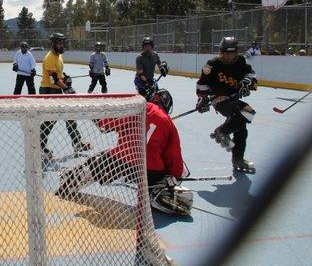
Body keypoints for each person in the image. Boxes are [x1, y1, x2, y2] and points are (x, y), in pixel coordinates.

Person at [55, 89, 192, 216]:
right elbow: (174, 157)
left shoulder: (139, 107)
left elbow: (104, 126)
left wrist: (96, 113)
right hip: (150, 170)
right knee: (176, 170)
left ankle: (68, 182)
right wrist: (175, 176)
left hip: (122, 159)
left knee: (95, 163)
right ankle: (159, 192)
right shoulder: (169, 123)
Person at [195, 37, 257, 173]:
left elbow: (251, 75)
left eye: (232, 53)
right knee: (248, 112)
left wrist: (246, 83)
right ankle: (222, 131)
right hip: (220, 100)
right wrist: (203, 99)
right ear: (221, 52)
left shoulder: (241, 61)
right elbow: (201, 85)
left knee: (241, 127)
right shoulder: (212, 65)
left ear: (236, 52)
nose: (230, 56)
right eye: (226, 53)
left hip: (234, 99)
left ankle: (237, 159)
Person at [40, 33, 92, 162]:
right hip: (49, 91)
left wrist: (66, 77)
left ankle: (77, 143)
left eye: (63, 43)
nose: (62, 45)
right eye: (59, 43)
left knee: (70, 115)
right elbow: (54, 79)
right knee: (49, 121)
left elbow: (59, 75)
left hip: (57, 90)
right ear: (53, 44)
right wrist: (67, 88)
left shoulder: (59, 56)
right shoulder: (50, 58)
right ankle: (40, 147)